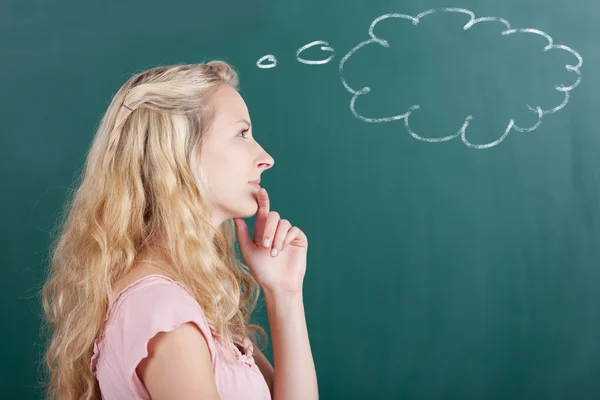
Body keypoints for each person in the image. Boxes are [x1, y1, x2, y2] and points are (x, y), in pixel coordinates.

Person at [40, 61, 318, 400]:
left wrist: (284, 293)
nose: (266, 157)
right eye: (242, 133)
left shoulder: (192, 302)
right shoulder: (163, 312)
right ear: (179, 153)